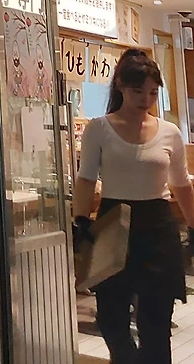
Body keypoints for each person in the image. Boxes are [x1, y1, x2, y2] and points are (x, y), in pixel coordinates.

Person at [73, 48, 194, 364]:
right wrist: (81, 220)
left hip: (158, 228)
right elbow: (86, 179)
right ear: (121, 87)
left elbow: (181, 184)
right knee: (111, 319)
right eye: (138, 91)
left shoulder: (169, 132)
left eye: (152, 93)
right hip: (114, 224)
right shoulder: (99, 128)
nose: (146, 99)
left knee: (156, 324)